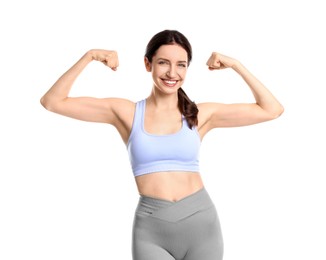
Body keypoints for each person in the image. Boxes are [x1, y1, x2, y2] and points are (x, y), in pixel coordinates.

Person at [40, 29, 284, 260]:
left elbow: (272, 109)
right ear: (148, 64)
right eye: (163, 62)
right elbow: (53, 101)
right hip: (151, 231)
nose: (172, 73)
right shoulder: (127, 113)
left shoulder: (200, 115)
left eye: (181, 65)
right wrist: (90, 56)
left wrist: (236, 65)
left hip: (202, 227)